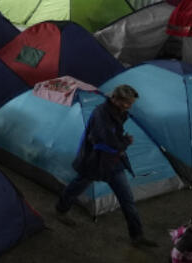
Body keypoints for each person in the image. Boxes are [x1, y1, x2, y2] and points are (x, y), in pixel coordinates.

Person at [54, 85, 157, 248]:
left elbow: (111, 137)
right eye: (126, 102)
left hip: (112, 162)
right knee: (77, 186)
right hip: (96, 161)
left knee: (127, 199)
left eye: (130, 103)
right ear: (114, 99)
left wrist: (120, 141)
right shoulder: (101, 114)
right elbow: (104, 141)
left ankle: (137, 236)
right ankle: (60, 210)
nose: (128, 106)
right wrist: (125, 142)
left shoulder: (117, 112)